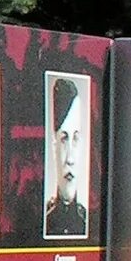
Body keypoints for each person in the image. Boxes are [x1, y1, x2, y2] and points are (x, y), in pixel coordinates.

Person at [43, 78, 91, 238]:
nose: (70, 158)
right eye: (64, 139)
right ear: (54, 145)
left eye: (76, 139)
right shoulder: (45, 219)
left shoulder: (87, 221)